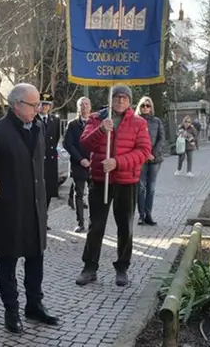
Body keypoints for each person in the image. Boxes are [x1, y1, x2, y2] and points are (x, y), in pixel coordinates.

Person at [0, 83, 59, 334]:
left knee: (36, 259)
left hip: (36, 208)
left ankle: (34, 305)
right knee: (8, 263)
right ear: (16, 105)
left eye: (39, 104)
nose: (38, 109)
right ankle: (11, 311)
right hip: (9, 212)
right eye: (33, 104)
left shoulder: (38, 126)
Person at [75, 85, 150, 288]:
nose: (120, 100)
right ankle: (90, 267)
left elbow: (143, 151)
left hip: (126, 181)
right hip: (101, 180)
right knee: (96, 225)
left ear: (130, 101)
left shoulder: (138, 123)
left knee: (125, 226)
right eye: (117, 97)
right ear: (111, 99)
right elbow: (86, 143)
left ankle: (122, 267)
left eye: (125, 97)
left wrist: (118, 162)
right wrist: (101, 131)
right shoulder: (96, 119)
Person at [64, 96, 93, 232]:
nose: (84, 106)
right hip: (78, 164)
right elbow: (68, 144)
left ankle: (93, 223)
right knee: (79, 194)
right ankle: (80, 223)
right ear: (78, 107)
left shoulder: (95, 123)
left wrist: (93, 158)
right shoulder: (72, 124)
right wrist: (81, 159)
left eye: (86, 104)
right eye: (81, 104)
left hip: (93, 165)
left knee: (93, 195)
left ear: (90, 107)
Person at [135, 96, 165, 226]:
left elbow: (161, 138)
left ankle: (149, 214)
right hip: (140, 159)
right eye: (143, 105)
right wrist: (145, 153)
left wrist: (153, 154)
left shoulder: (157, 121)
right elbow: (133, 140)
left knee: (151, 188)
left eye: (148, 105)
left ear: (151, 107)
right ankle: (141, 215)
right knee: (141, 187)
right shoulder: (135, 121)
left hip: (155, 159)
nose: (145, 108)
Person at [39, 93, 62, 214]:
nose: (44, 107)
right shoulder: (33, 119)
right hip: (38, 159)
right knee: (38, 191)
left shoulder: (54, 120)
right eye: (42, 104)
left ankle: (45, 217)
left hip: (50, 159)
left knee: (48, 190)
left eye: (47, 105)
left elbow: (56, 137)